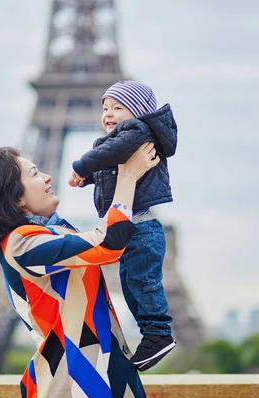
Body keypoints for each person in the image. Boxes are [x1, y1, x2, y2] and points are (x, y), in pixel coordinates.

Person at [0, 143, 159, 398]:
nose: (47, 177)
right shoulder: (21, 243)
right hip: (76, 384)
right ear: (17, 197)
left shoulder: (49, 234)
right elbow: (108, 242)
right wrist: (127, 176)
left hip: (102, 377)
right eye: (35, 173)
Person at [68, 80, 178, 371]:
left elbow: (110, 156)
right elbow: (110, 168)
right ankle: (151, 334)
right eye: (105, 107)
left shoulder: (137, 132)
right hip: (132, 228)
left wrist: (82, 166)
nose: (108, 113)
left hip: (142, 229)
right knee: (132, 285)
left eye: (118, 107)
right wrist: (89, 177)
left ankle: (158, 334)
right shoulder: (121, 143)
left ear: (139, 112)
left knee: (143, 282)